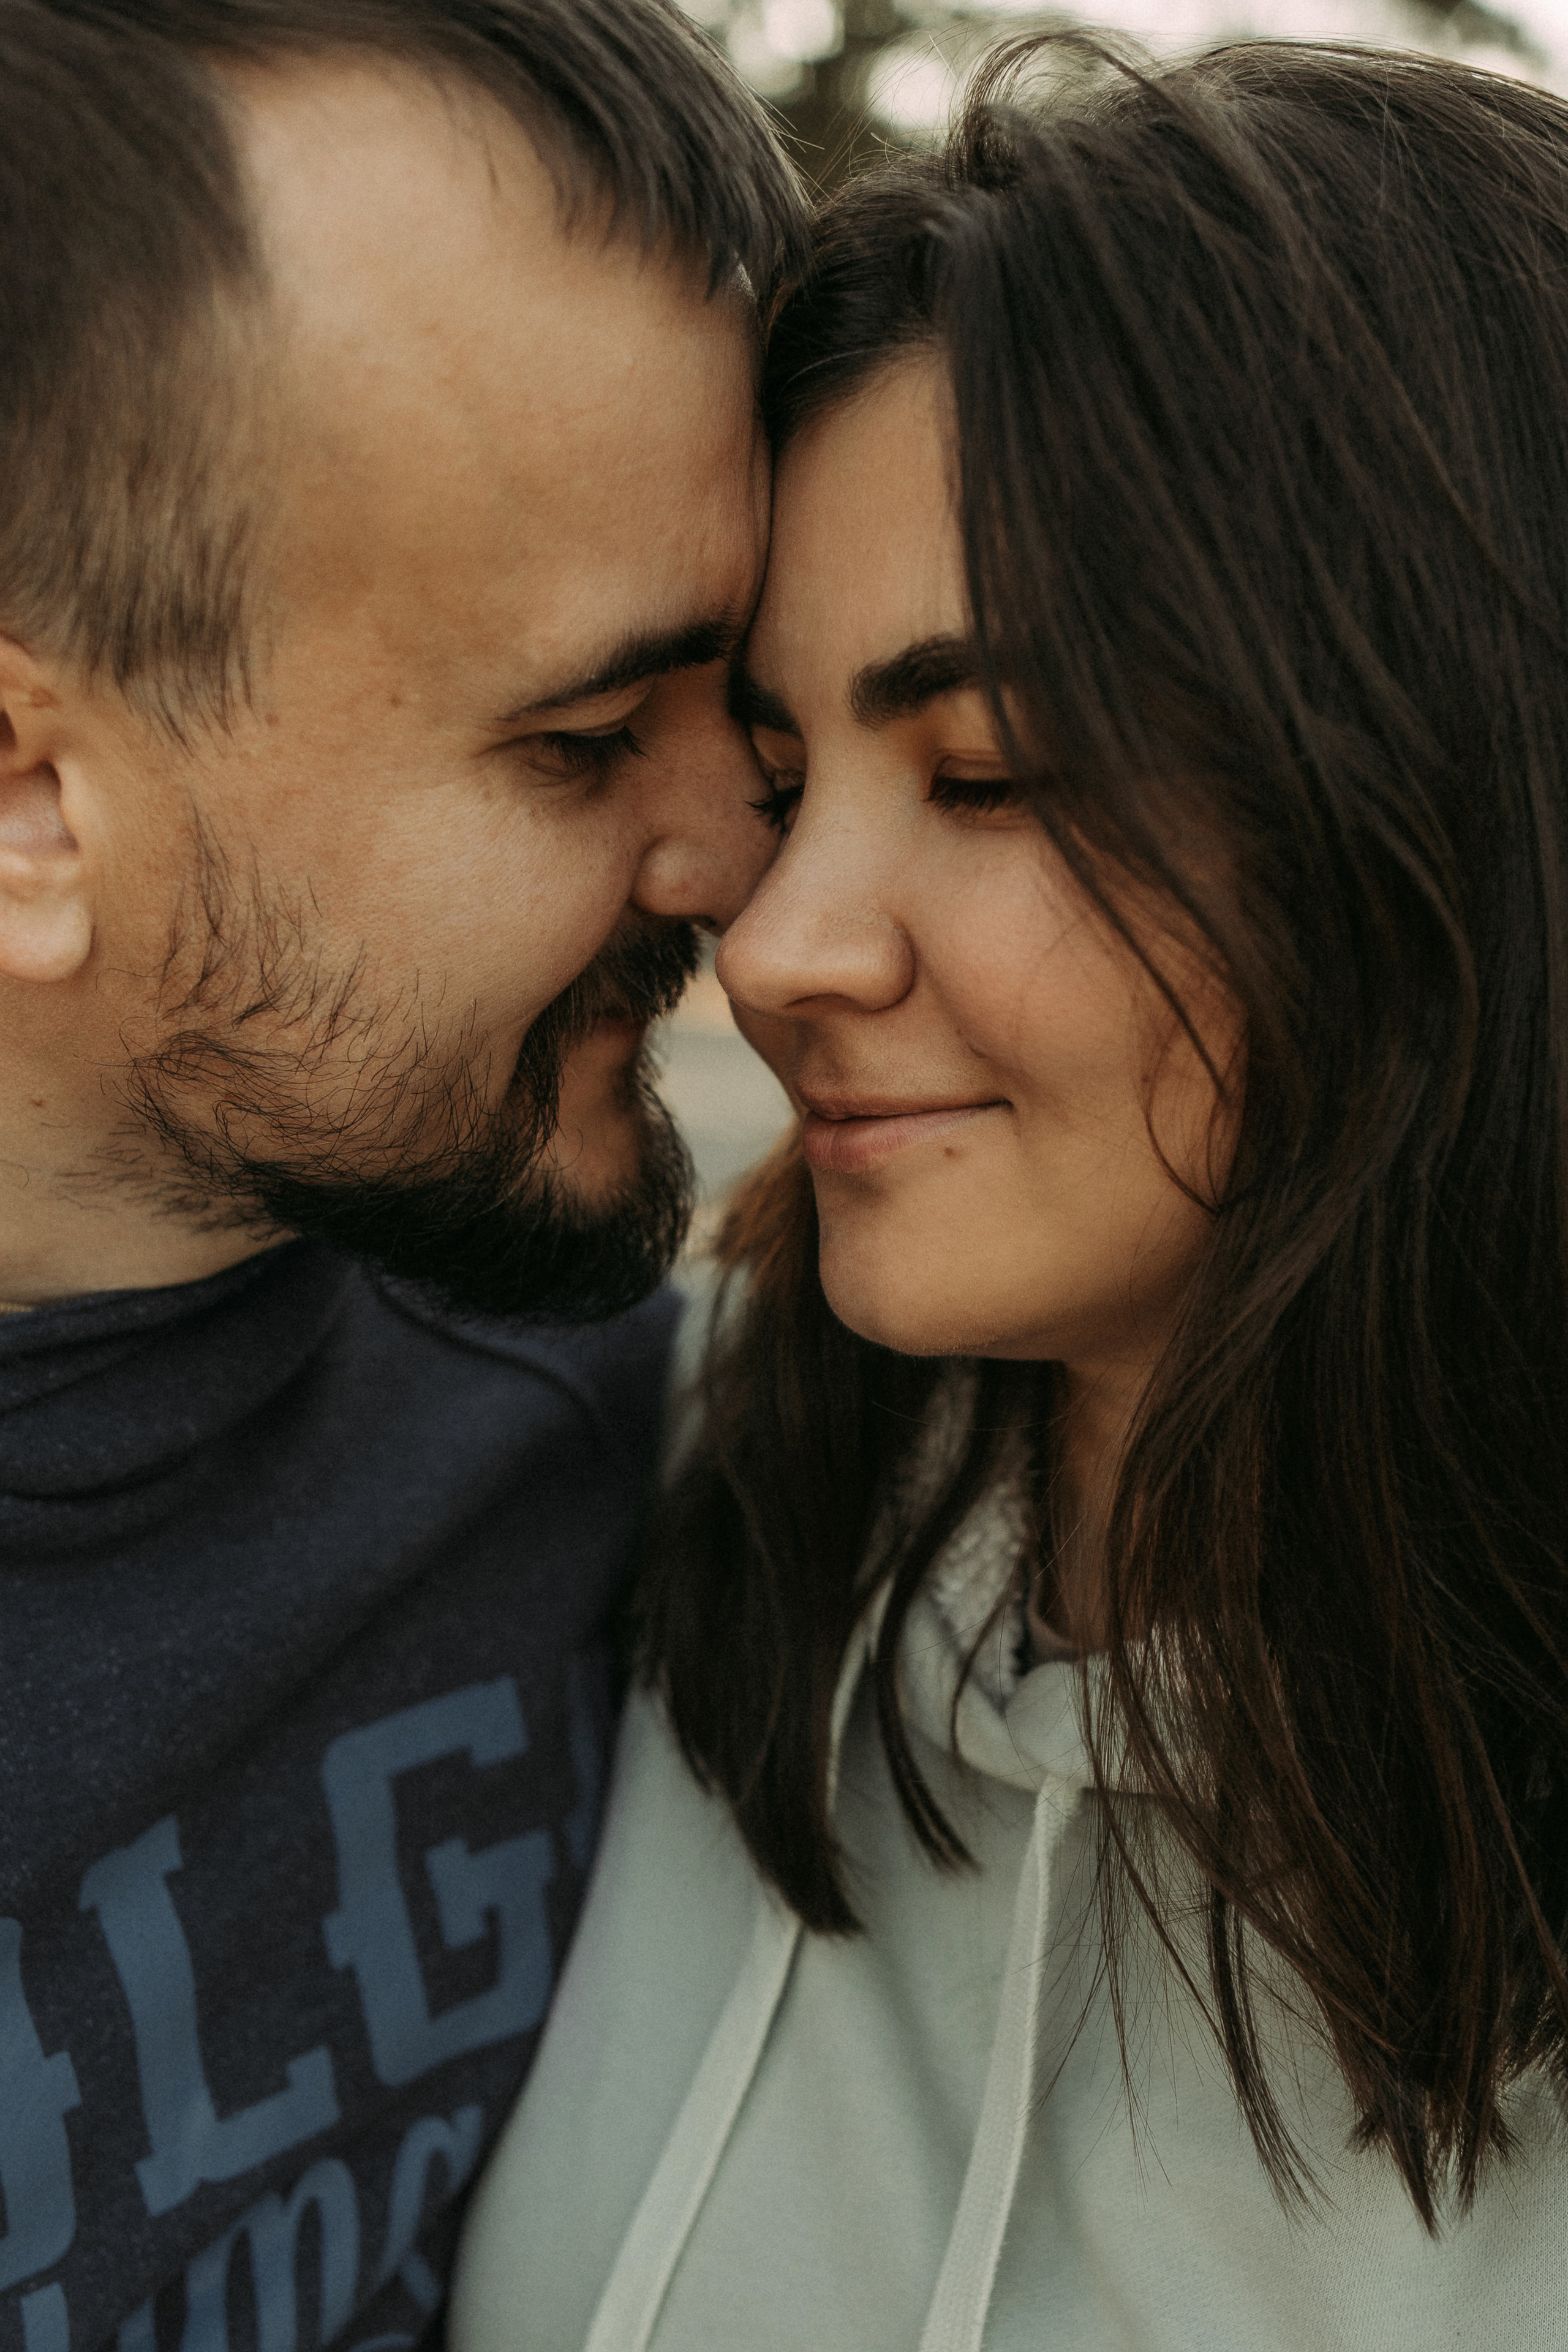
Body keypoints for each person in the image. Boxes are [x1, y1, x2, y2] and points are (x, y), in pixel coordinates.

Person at [454, 39, 1568, 2352]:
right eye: (785, 767)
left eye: (990, 772)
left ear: (1452, 807)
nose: (771, 948)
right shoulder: (681, 1483)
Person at [0, 2, 801, 2346]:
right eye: (580, 742)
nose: (747, 866)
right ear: (35, 798)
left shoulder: (632, 1422)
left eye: (736, 711)